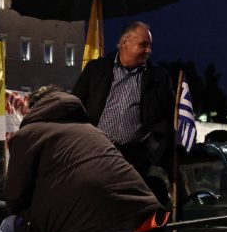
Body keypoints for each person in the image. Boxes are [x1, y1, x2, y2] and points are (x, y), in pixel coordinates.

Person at [2, 85, 165, 232]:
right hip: (146, 219)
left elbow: (14, 198)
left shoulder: (27, 134)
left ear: (33, 109)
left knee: (9, 226)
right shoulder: (94, 131)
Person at [72, 21, 176, 196]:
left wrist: (153, 152)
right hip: (97, 153)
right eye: (143, 45)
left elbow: (170, 119)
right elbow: (75, 105)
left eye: (150, 45)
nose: (149, 51)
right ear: (125, 42)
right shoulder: (96, 70)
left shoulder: (159, 77)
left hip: (136, 158)